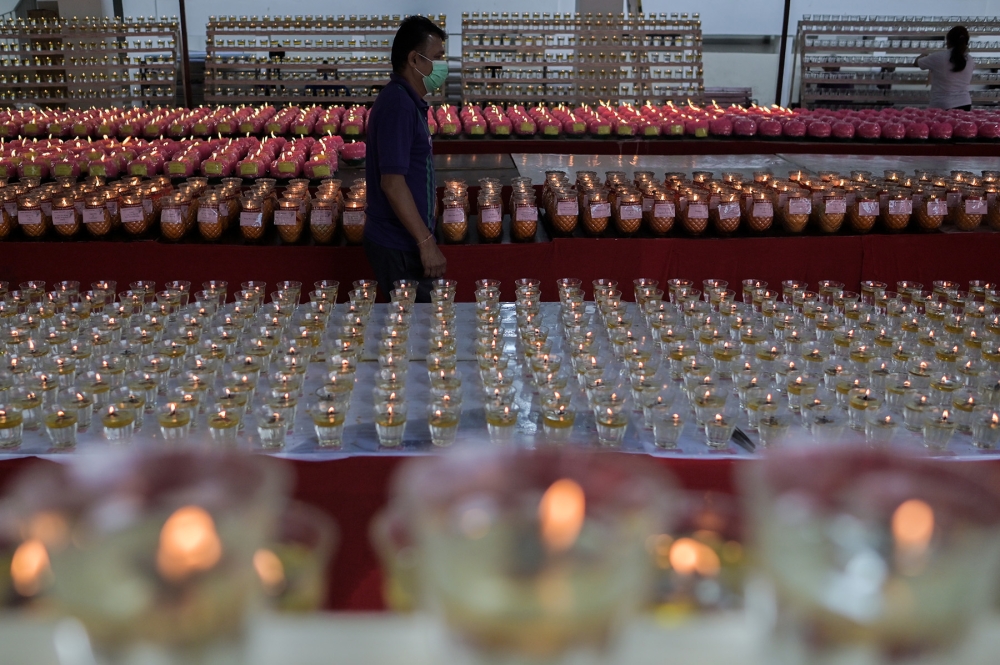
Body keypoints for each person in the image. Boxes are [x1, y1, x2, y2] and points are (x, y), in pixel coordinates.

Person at [363, 16, 448, 303]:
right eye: (436, 58)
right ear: (414, 59)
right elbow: (392, 183)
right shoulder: (398, 105)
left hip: (406, 239)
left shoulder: (408, 102)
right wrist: (425, 243)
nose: (441, 66)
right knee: (416, 329)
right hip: (400, 244)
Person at [916, 26, 975, 111]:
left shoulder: (939, 57)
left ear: (948, 41)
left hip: (943, 105)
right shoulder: (970, 59)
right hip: (965, 103)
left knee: (941, 125)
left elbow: (918, 63)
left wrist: (921, 56)